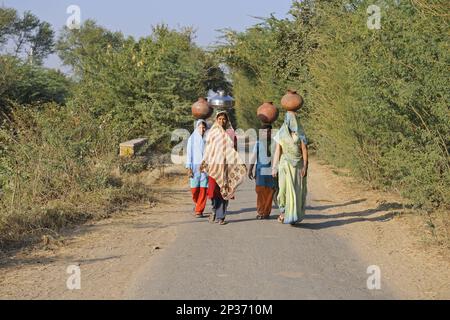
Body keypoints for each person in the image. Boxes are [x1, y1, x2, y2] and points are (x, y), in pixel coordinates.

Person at [201, 110, 246, 225]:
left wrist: (238, 162)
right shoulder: (212, 132)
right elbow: (208, 149)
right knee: (212, 191)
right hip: (214, 166)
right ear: (216, 120)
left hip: (227, 167)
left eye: (224, 119)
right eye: (220, 119)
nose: (222, 121)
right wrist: (204, 161)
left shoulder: (230, 133)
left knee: (224, 191)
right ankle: (214, 209)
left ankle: (221, 217)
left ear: (227, 120)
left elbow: (235, 149)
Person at [272, 111, 308, 225]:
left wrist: (305, 166)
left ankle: (292, 216)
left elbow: (304, 150)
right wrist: (274, 167)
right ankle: (283, 211)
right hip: (284, 165)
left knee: (296, 191)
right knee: (282, 190)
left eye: (294, 119)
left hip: (297, 166)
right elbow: (278, 151)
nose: (292, 121)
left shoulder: (300, 133)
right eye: (290, 119)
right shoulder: (281, 133)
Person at [248, 123, 276, 220]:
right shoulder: (258, 143)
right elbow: (254, 156)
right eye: (264, 132)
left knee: (270, 192)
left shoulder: (275, 143)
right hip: (260, 171)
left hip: (272, 171)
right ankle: (260, 212)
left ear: (271, 132)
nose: (266, 133)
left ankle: (266, 212)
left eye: (268, 131)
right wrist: (250, 169)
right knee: (260, 192)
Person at [186, 119, 208, 218]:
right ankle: (197, 204)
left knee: (203, 190)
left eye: (204, 127)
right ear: (197, 128)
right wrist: (189, 168)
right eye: (200, 127)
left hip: (205, 168)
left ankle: (199, 210)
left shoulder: (208, 139)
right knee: (195, 190)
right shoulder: (192, 139)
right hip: (194, 168)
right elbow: (189, 154)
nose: (202, 129)